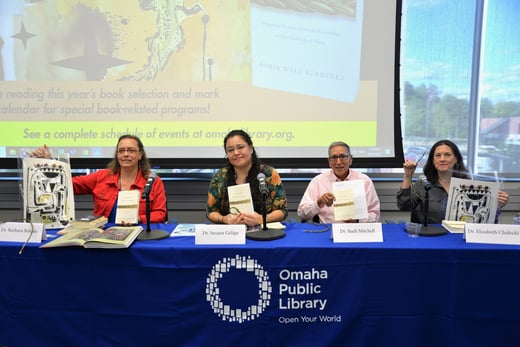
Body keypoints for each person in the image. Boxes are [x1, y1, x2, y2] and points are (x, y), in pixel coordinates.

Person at [31, 134, 167, 224]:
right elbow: (67, 185)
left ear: (140, 155)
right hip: (102, 236)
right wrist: (47, 164)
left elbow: (160, 214)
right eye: (121, 151)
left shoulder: (153, 180)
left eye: (131, 150)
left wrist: (139, 219)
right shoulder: (102, 176)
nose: (125, 154)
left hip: (138, 235)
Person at [397, 139, 509, 224]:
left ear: (456, 159)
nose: (442, 159)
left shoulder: (471, 187)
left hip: (461, 240)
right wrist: (408, 175)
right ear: (433, 160)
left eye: (447, 155)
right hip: (430, 239)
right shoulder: (424, 184)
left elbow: (483, 221)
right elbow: (404, 206)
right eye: (438, 155)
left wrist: (496, 205)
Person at [206, 129, 288, 226]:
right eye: (230, 150)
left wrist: (263, 219)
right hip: (231, 233)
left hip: (263, 232)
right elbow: (211, 212)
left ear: (251, 149)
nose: (236, 152)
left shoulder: (268, 174)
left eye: (240, 147)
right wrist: (224, 219)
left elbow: (282, 211)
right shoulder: (220, 177)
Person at [297, 141, 381, 223]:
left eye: (342, 156)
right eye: (334, 157)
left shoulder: (364, 181)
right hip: (327, 231)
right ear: (329, 161)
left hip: (357, 230)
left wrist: (357, 220)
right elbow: (302, 213)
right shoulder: (318, 181)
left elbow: (375, 215)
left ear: (350, 159)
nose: (338, 162)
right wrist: (319, 202)